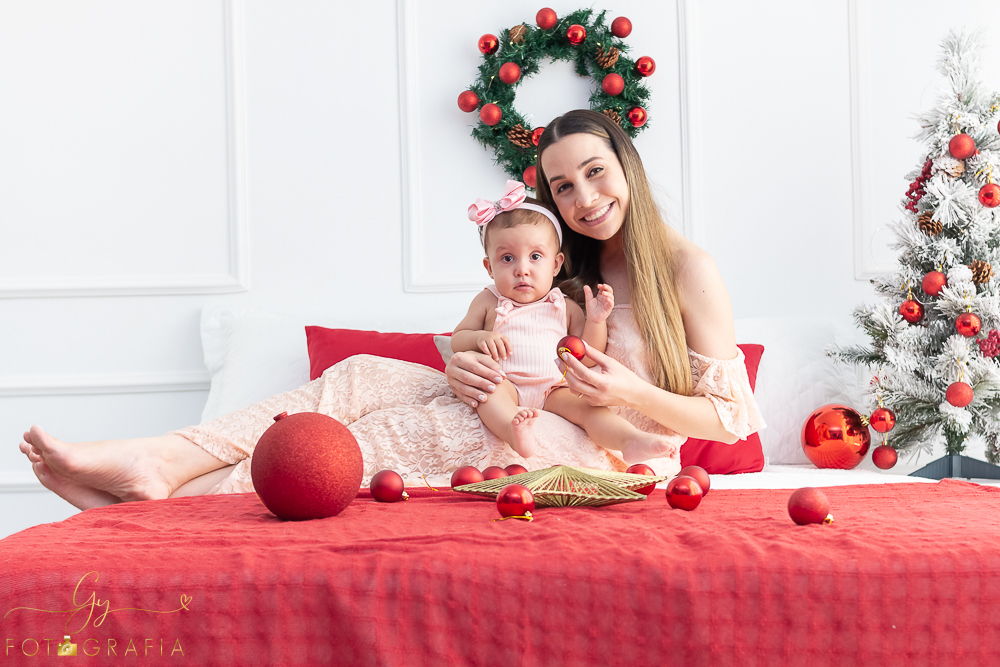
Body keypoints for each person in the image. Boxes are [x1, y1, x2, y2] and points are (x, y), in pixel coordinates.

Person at [18, 109, 764, 511]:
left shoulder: (686, 269)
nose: (583, 198)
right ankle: (166, 457)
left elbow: (729, 419)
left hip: (609, 450)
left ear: (625, 165)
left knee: (406, 427)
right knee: (362, 375)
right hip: (536, 400)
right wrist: (465, 357)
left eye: (595, 173)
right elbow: (508, 334)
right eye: (563, 187)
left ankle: (172, 505)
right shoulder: (567, 262)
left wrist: (625, 390)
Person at [454, 179, 677, 464]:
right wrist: (478, 338)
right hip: (506, 382)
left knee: (590, 411)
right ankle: (513, 431)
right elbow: (458, 338)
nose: (522, 270)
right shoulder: (489, 301)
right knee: (490, 394)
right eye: (507, 258)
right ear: (489, 267)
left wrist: (596, 320)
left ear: (556, 264)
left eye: (535, 256)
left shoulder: (564, 306)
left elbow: (584, 355)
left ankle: (629, 440)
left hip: (553, 389)